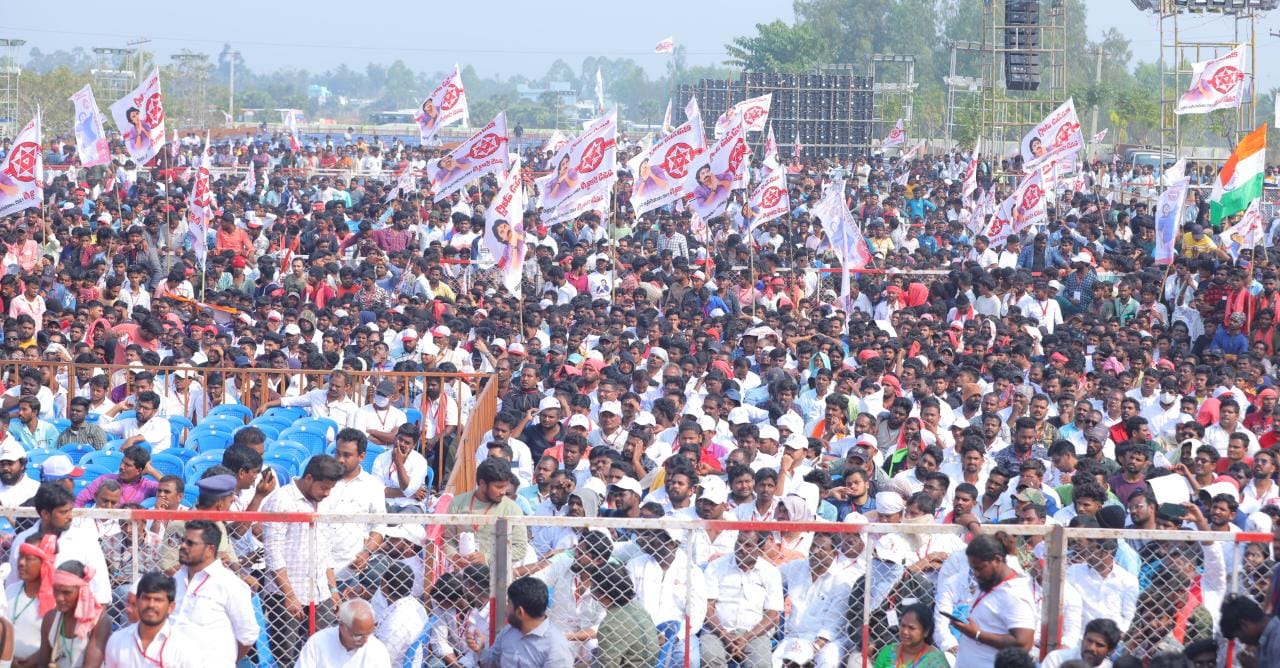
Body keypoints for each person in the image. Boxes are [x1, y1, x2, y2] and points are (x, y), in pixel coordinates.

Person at [260, 455, 344, 665]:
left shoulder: (323, 502)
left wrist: (333, 589)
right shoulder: (281, 500)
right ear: (309, 478)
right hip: (286, 594)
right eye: (324, 488)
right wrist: (289, 595)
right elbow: (273, 552)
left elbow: (324, 549)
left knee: (324, 652)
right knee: (287, 657)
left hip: (320, 592)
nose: (327, 493)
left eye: (330, 489)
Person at [170, 520, 259, 666]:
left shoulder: (229, 584)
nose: (183, 546)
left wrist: (223, 661)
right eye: (183, 541)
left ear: (210, 549)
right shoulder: (176, 579)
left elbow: (247, 636)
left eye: (190, 543)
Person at [947, 535, 1036, 665]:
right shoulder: (989, 581)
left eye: (980, 568)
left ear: (997, 560)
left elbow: (1024, 644)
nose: (976, 574)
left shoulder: (1014, 593)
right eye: (973, 568)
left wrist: (977, 634)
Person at [102, 572, 196, 667]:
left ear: (171, 607)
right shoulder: (118, 641)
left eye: (158, 600)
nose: (151, 605)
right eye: (146, 598)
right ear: (137, 602)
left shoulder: (184, 648)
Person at [29, 560, 110, 668]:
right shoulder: (51, 618)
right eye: (56, 590)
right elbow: (43, 664)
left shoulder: (99, 622)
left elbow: (91, 665)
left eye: (66, 592)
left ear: (82, 591)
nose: (59, 598)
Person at [478, 576, 573, 668]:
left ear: (520, 612)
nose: (505, 609)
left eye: (508, 603)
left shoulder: (556, 648)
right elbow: (492, 663)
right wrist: (480, 649)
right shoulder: (508, 632)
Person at [588, 563, 660, 668]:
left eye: (592, 586)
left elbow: (607, 666)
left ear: (601, 592)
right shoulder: (637, 607)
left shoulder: (610, 624)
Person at [295, 599, 392, 668]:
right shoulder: (318, 642)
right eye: (358, 635)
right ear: (342, 626)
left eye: (369, 633)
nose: (365, 640)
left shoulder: (377, 649)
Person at [871, 602, 949, 667]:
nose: (905, 631)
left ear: (926, 632)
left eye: (911, 628)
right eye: (903, 625)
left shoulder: (936, 660)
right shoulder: (888, 652)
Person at [1219, 594, 1280, 668]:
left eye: (1238, 636)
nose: (1241, 641)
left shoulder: (1277, 639)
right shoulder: (1264, 641)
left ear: (1244, 625)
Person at [1040, 617, 1121, 668]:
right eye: (1089, 641)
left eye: (1099, 645)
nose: (1091, 648)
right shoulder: (1057, 658)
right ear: (1083, 639)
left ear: (1111, 650)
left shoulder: (1109, 667)